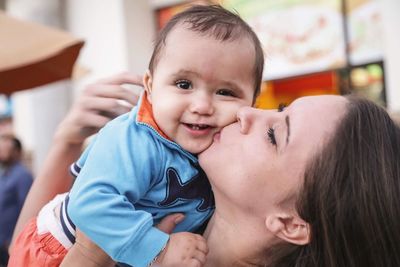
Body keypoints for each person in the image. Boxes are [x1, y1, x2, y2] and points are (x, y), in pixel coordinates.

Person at [9, 4, 264, 267]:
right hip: (58, 248)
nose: (202, 106)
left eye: (225, 92)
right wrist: (159, 250)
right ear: (150, 87)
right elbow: (90, 203)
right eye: (183, 84)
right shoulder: (136, 137)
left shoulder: (223, 152)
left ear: (253, 103)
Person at [64, 94, 400, 267]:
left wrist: (89, 253)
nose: (245, 112)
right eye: (280, 108)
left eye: (274, 134)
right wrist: (63, 144)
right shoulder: (162, 206)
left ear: (292, 224)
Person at [0, 134, 33, 266]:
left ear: (16, 151)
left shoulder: (22, 175)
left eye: (5, 149)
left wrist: (16, 239)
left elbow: (27, 208)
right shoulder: (5, 174)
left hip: (11, 242)